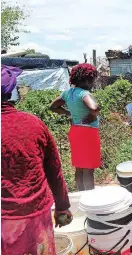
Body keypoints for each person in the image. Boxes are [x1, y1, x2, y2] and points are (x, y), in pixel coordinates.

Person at [1, 65, 72, 255]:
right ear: (11, 93)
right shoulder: (34, 124)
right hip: (37, 212)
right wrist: (62, 207)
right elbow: (54, 169)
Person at [50, 63, 100, 191]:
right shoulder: (84, 93)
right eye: (93, 80)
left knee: (79, 167)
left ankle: (81, 194)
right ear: (87, 80)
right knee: (88, 168)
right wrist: (93, 116)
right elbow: (94, 108)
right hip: (88, 133)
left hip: (75, 132)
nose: (93, 83)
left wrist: (69, 113)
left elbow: (53, 106)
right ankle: (90, 198)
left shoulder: (68, 93)